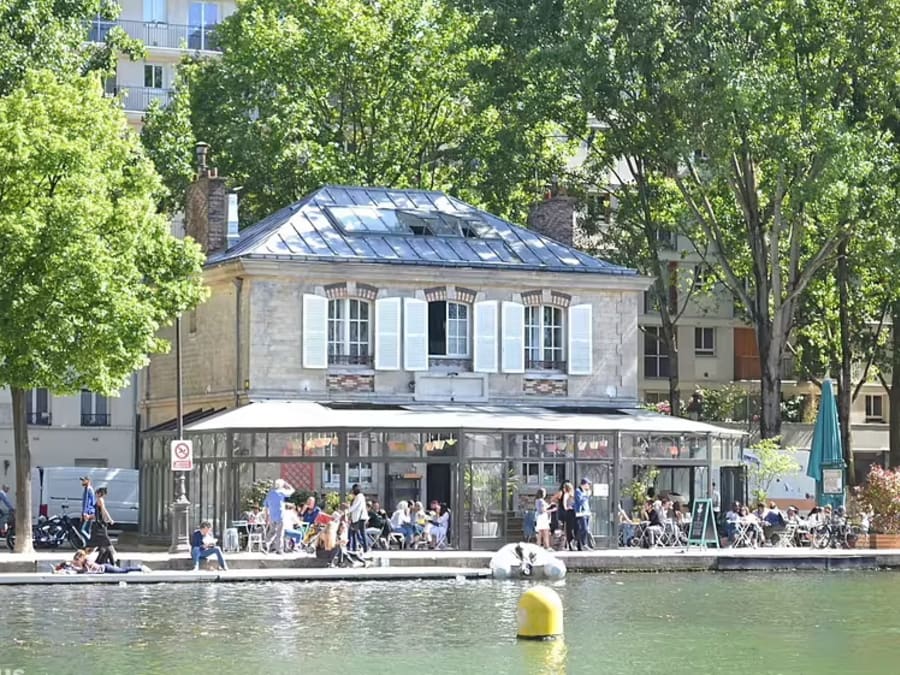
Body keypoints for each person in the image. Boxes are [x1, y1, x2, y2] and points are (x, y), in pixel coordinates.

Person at [89, 487, 118, 566]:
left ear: (99, 493)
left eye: (97, 493)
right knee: (103, 540)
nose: (96, 494)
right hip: (99, 522)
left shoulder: (100, 500)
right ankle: (111, 557)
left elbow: (103, 510)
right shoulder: (100, 499)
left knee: (105, 538)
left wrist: (108, 519)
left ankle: (113, 553)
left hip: (99, 523)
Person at [264, 478, 295, 554]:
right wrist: (287, 484)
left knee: (272, 532)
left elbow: (266, 506)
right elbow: (292, 491)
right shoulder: (281, 491)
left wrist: (266, 517)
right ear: (281, 485)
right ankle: (279, 550)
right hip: (280, 515)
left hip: (272, 516)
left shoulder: (270, 493)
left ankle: (265, 545)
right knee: (280, 533)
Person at [64, 549, 149, 574]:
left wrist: (74, 569)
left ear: (82, 558)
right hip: (103, 566)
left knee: (123, 571)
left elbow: (86, 571)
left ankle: (140, 568)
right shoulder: (81, 562)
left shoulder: (87, 562)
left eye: (77, 560)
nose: (76, 561)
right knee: (122, 570)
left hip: (105, 568)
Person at [348, 484, 369, 554]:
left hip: (359, 518)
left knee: (361, 533)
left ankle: (365, 548)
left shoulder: (359, 497)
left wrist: (347, 510)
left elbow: (355, 507)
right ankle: (354, 548)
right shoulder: (359, 497)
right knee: (354, 533)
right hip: (357, 518)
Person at [574, 478, 592, 550]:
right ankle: (583, 544)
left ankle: (576, 541)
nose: (588, 486)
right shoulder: (578, 491)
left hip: (586, 512)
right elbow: (580, 501)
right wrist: (586, 495)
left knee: (585, 529)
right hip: (580, 512)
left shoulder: (585, 491)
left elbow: (586, 503)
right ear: (584, 484)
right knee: (584, 528)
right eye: (588, 484)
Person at [560, 481, 578, 551]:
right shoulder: (573, 494)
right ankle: (572, 543)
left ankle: (570, 543)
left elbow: (564, 503)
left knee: (569, 529)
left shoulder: (566, 494)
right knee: (572, 528)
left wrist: (566, 508)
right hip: (573, 512)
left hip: (569, 512)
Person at [80, 476, 96, 540]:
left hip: (88, 512)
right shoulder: (90, 489)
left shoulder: (88, 489)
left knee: (82, 530)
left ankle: (90, 542)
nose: (82, 482)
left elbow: (86, 502)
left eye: (84, 480)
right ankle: (88, 545)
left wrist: (84, 513)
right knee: (87, 529)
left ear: (88, 481)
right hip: (90, 512)